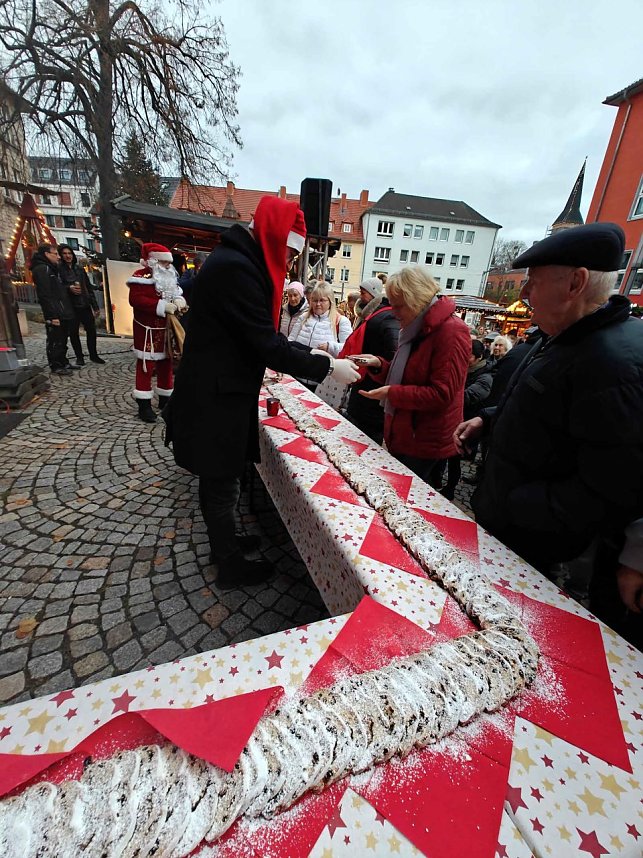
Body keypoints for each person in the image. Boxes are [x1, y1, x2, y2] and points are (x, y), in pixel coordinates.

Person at [454, 223, 643, 643]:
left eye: (534, 282)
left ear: (575, 283)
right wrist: (487, 419)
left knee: (503, 637)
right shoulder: (566, 336)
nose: (524, 295)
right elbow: (536, 402)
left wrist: (516, 504)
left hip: (532, 542)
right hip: (512, 522)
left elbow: (609, 489)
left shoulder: (611, 363)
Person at [163, 196, 360, 590]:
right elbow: (267, 345)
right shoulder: (238, 269)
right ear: (273, 237)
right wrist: (326, 365)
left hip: (220, 390)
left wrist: (316, 353)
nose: (288, 264)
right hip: (215, 396)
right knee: (221, 480)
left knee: (223, 477)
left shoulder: (239, 261)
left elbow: (265, 339)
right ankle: (229, 564)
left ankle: (226, 543)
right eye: (288, 254)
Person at [352, 266, 470, 485]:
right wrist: (379, 365)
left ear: (416, 300)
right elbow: (406, 375)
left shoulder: (451, 331)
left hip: (425, 441)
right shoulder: (417, 327)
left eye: (399, 306)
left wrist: (391, 393)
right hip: (408, 434)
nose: (394, 313)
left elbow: (441, 394)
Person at [127, 242, 187, 424]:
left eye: (169, 264)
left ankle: (165, 399)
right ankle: (144, 404)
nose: (168, 266)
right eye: (164, 263)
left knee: (166, 364)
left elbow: (175, 291)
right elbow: (136, 300)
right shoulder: (141, 276)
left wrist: (178, 300)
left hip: (167, 329)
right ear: (154, 261)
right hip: (148, 330)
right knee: (146, 366)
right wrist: (161, 306)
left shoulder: (168, 276)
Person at [343, 278, 400, 444]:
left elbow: (393, 361)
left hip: (372, 396)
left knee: (364, 441)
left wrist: (377, 364)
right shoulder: (373, 315)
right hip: (364, 387)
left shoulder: (384, 317)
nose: (361, 296)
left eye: (364, 292)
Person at [438, 338, 493, 500]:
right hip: (450, 419)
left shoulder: (485, 376)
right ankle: (438, 479)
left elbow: (471, 396)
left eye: (469, 356)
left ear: (478, 357)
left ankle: (450, 489)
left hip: (466, 422)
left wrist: (445, 395)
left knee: (454, 459)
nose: (465, 358)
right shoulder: (461, 368)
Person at [288, 281, 352, 390]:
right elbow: (290, 341)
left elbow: (349, 349)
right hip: (297, 376)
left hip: (323, 384)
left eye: (322, 300)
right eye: (315, 300)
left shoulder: (341, 321)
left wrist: (330, 346)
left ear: (330, 301)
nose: (318, 304)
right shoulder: (303, 318)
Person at [31, 243, 78, 377]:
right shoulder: (42, 269)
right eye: (55, 254)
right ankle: (56, 365)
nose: (58, 257)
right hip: (55, 312)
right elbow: (45, 295)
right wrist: (52, 316)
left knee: (62, 338)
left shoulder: (51, 269)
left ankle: (63, 362)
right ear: (46, 254)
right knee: (55, 339)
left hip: (61, 310)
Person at [57, 244, 105, 366]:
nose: (68, 256)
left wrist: (95, 306)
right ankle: (79, 357)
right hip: (71, 306)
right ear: (61, 255)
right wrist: (69, 288)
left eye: (69, 253)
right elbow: (57, 287)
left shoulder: (79, 269)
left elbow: (87, 287)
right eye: (65, 254)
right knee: (73, 333)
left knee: (91, 331)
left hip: (84, 304)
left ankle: (93, 355)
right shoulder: (59, 270)